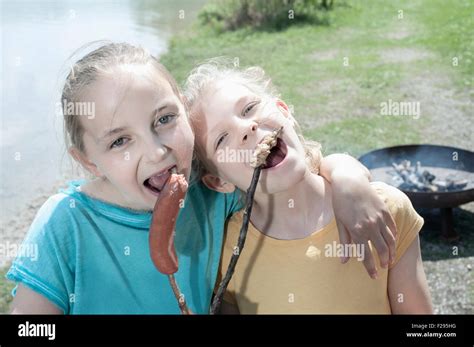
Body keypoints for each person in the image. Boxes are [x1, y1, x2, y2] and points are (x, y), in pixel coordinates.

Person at [7, 43, 397, 314]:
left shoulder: (211, 194)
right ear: (89, 162)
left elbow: (292, 171)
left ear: (184, 110)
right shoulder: (65, 223)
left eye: (164, 119)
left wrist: (346, 177)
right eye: (120, 140)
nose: (156, 151)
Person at [184, 60, 433, 314]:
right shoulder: (228, 251)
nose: (246, 128)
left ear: (284, 111)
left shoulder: (383, 208)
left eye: (249, 108)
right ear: (219, 181)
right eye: (222, 138)